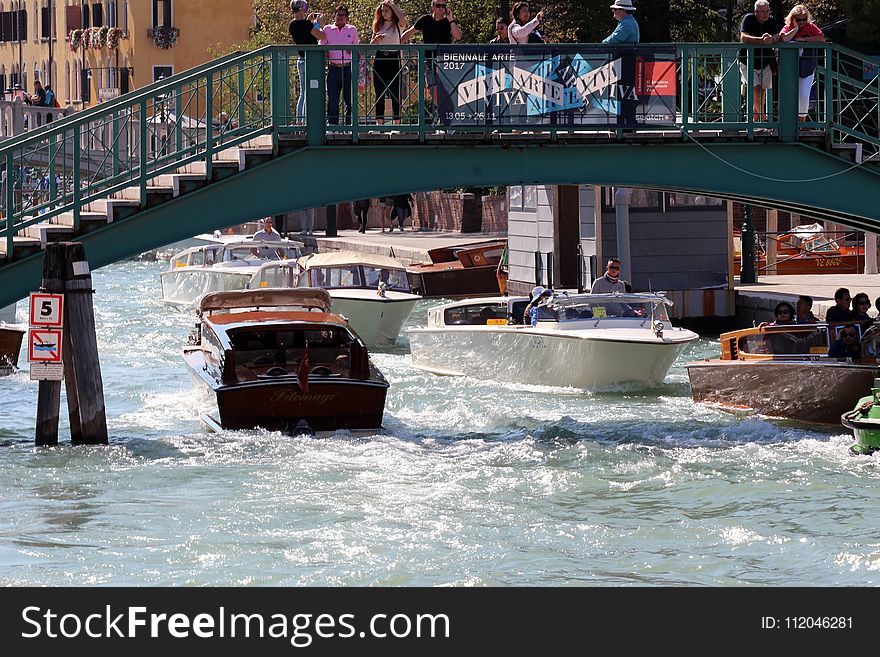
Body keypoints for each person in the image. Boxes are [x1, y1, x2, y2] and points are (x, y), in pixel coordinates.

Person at [400, 1, 462, 115]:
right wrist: (395, 44)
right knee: (432, 91)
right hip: (429, 62)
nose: (441, 9)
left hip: (446, 62)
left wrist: (451, 19)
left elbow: (458, 36)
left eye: (443, 6)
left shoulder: (448, 22)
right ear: (433, 7)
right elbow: (409, 33)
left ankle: (447, 117)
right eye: (438, 6)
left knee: (448, 92)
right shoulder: (425, 20)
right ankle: (447, 114)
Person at [778, 5, 825, 125]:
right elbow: (783, 39)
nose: (802, 22)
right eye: (799, 19)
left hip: (807, 67)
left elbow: (821, 38)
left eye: (804, 19)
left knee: (804, 95)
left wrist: (805, 40)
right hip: (790, 68)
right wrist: (795, 29)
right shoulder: (788, 27)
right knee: (790, 95)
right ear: (793, 19)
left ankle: (802, 123)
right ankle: (789, 123)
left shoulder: (811, 27)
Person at [739, 1, 781, 123]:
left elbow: (777, 36)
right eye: (763, 11)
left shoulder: (771, 20)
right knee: (756, 89)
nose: (766, 14)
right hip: (747, 61)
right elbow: (743, 37)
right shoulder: (748, 19)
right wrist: (761, 41)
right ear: (756, 12)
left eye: (767, 11)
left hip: (766, 62)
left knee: (762, 92)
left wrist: (772, 39)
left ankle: (755, 119)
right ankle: (764, 118)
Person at [603, 1, 640, 129]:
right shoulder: (627, 22)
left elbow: (614, 39)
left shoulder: (627, 23)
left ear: (623, 10)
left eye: (615, 9)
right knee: (625, 93)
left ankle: (624, 125)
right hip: (625, 61)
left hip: (625, 62)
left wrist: (603, 43)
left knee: (623, 93)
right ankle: (626, 124)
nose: (613, 11)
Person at [370, 1, 408, 125]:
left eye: (386, 10)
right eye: (382, 10)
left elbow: (403, 19)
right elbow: (370, 45)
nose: (384, 13)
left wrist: (392, 5)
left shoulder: (397, 24)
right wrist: (376, 40)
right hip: (380, 58)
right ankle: (379, 123)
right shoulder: (378, 25)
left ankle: (396, 123)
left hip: (394, 58)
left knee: (395, 92)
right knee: (379, 91)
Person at [321, 5, 360, 126]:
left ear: (347, 18)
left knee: (350, 99)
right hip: (333, 68)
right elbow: (321, 45)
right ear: (334, 16)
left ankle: (350, 126)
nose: (340, 17)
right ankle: (332, 125)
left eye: (343, 15)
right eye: (338, 14)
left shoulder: (352, 29)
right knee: (332, 99)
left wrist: (352, 50)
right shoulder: (327, 29)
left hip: (348, 68)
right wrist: (326, 52)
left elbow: (357, 49)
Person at [289, 1, 326, 125]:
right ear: (301, 9)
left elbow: (306, 32)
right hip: (311, 60)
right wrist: (318, 23)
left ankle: (299, 121)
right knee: (309, 93)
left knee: (302, 92)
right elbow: (321, 36)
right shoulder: (306, 25)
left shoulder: (292, 24)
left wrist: (311, 23)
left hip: (301, 59)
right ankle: (306, 122)